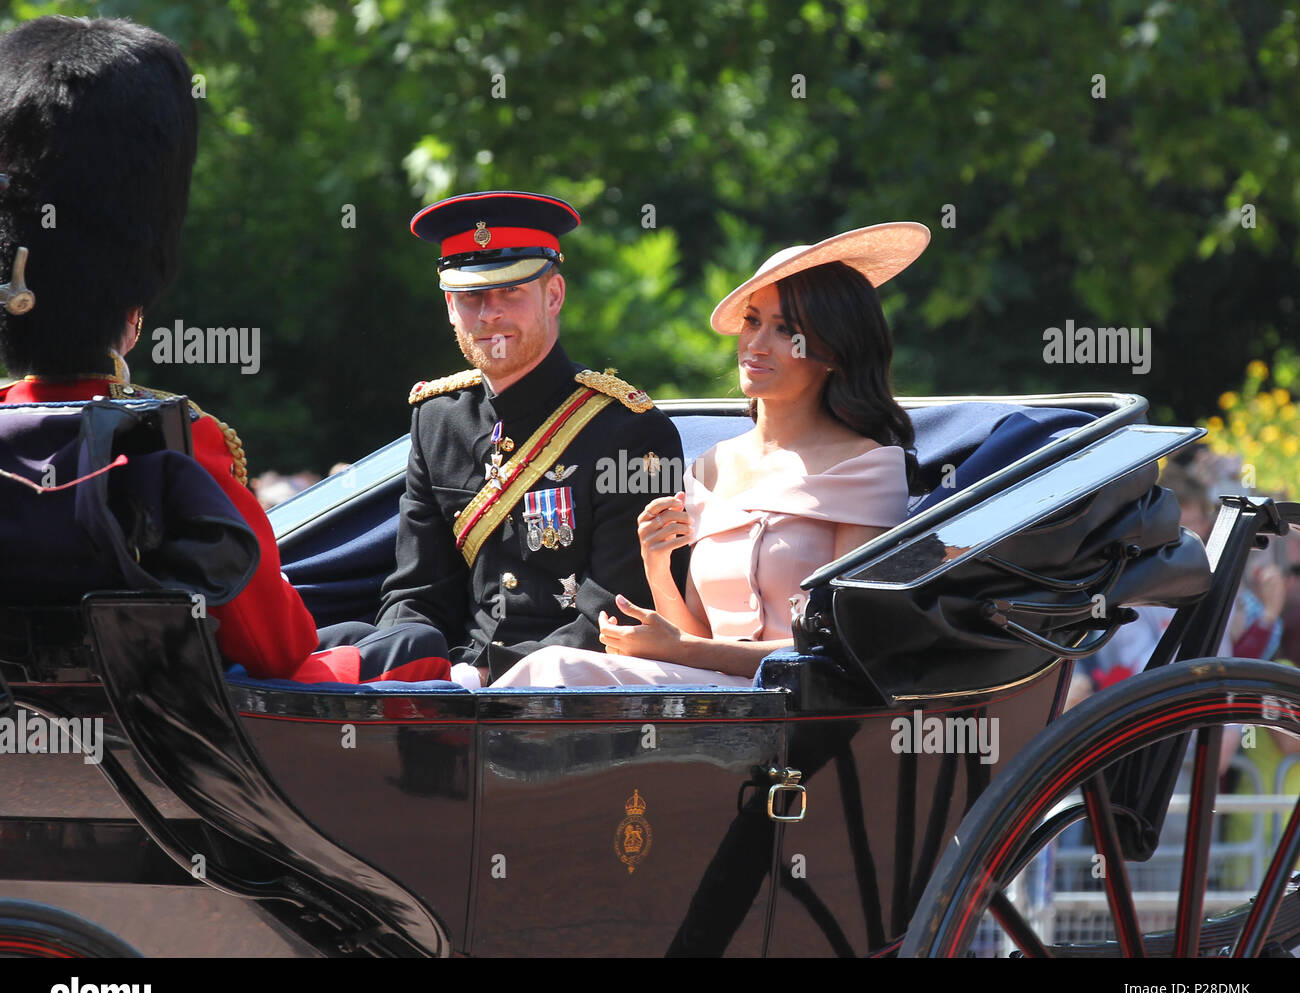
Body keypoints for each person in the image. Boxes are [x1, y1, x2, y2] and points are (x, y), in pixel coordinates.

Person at [0, 15, 445, 684]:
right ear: (133, 314)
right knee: (413, 644)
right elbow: (276, 647)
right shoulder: (172, 445)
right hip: (178, 732)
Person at [491, 222, 931, 689]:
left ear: (836, 353)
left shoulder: (868, 467)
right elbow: (696, 634)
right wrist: (656, 565)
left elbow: (843, 644)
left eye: (786, 331)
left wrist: (679, 649)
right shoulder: (711, 467)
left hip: (801, 708)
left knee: (554, 668)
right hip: (712, 700)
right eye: (753, 320)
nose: (755, 345)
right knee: (548, 674)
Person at [318, 191, 684, 687]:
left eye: (511, 292)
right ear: (450, 306)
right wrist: (418, 675)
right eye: (471, 296)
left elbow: (619, 611)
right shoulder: (438, 418)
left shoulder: (631, 429)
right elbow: (417, 591)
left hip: (564, 695)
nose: (489, 314)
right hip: (451, 682)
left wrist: (485, 676)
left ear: (553, 295)